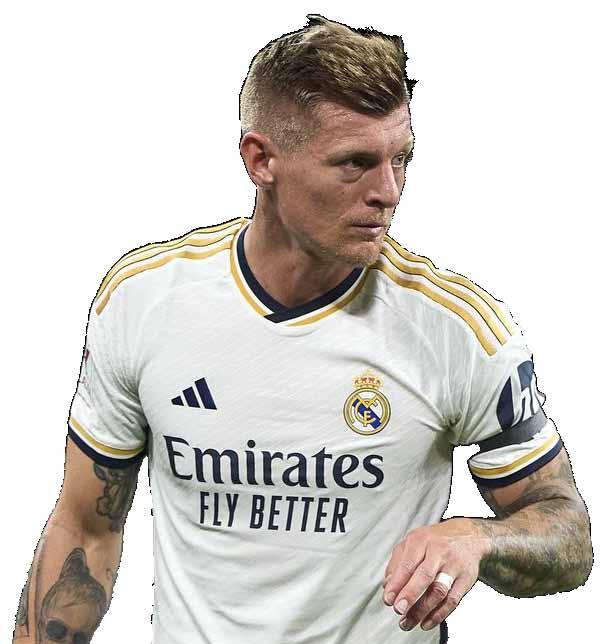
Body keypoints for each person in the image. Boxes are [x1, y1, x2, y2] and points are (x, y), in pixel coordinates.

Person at [13, 14, 593, 644]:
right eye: (354, 163)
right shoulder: (144, 303)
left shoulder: (458, 331)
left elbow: (567, 531)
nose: (388, 191)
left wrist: (477, 537)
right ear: (261, 160)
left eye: (401, 159)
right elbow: (86, 526)